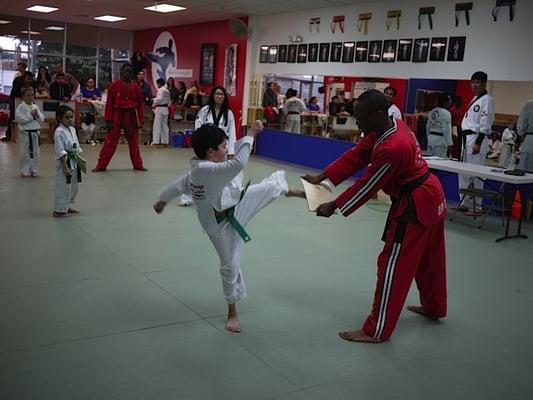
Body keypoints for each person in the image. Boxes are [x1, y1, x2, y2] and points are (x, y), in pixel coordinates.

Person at [302, 89, 447, 343]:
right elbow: (358, 155)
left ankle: (376, 330)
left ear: (379, 114)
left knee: (392, 266)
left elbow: (368, 187)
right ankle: (435, 307)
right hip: (432, 197)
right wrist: (323, 176)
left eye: (361, 117)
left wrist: (334, 205)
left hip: (414, 204)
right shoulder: (389, 127)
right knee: (429, 259)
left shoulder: (393, 146)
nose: (357, 122)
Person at [154, 122, 305, 333]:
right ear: (211, 152)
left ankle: (296, 191)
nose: (227, 149)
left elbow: (180, 184)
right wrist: (251, 133)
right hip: (220, 228)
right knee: (230, 266)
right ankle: (232, 312)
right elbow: (240, 163)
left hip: (235, 206)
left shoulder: (199, 169)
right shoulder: (207, 171)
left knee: (265, 188)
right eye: (224, 146)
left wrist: (162, 199)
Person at [178, 85, 238, 206]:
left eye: (222, 94)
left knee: (222, 175)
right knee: (198, 174)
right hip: (207, 148)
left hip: (221, 149)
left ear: (225, 97)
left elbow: (232, 133)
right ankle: (187, 198)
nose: (219, 96)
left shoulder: (229, 113)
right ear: (213, 96)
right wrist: (200, 144)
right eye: (217, 94)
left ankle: (221, 199)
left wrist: (231, 151)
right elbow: (198, 126)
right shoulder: (205, 110)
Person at [92, 63, 147, 172]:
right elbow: (109, 104)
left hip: (131, 117)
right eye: (126, 71)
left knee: (134, 143)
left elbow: (140, 106)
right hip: (116, 116)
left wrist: (140, 120)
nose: (128, 74)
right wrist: (108, 120)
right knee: (110, 142)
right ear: (121, 72)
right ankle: (101, 166)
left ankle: (138, 165)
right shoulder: (114, 85)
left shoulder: (136, 87)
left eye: (130, 72)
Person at [459, 71, 495, 215]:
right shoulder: (474, 98)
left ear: (484, 84)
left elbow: (486, 124)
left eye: (477, 82)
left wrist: (478, 142)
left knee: (476, 172)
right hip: (466, 138)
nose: (474, 85)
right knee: (463, 172)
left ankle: (477, 207)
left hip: (476, 138)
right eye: (472, 82)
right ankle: (465, 203)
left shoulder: (487, 100)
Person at [53, 105, 82, 218]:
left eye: (71, 117)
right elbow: (60, 151)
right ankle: (59, 210)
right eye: (67, 117)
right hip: (64, 161)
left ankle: (66, 205)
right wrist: (65, 167)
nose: (70, 119)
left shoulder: (73, 129)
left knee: (72, 185)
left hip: (73, 159)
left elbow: (76, 146)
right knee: (63, 185)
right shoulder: (59, 132)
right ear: (60, 119)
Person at [15, 86, 44, 178]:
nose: (30, 97)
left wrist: (38, 115)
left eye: (32, 95)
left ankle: (34, 170)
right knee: (25, 153)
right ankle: (25, 171)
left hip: (35, 133)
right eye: (28, 95)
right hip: (25, 133)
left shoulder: (35, 106)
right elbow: (20, 120)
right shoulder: (20, 107)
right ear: (23, 96)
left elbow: (42, 120)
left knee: (36, 153)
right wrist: (30, 114)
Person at [3, 71, 37, 142]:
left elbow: (34, 91)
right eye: (28, 79)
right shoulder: (17, 80)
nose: (29, 81)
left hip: (26, 101)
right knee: (12, 117)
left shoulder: (33, 82)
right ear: (24, 77)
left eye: (31, 79)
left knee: (28, 116)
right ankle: (9, 135)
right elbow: (16, 92)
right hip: (14, 100)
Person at [426, 92, 452, 158]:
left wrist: (428, 138)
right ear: (445, 102)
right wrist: (449, 144)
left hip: (431, 139)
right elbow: (447, 129)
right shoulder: (446, 113)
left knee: (430, 160)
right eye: (449, 100)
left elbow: (428, 127)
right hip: (440, 141)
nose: (450, 102)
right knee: (440, 161)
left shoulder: (432, 111)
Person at [151, 78, 170, 146]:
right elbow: (169, 101)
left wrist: (153, 100)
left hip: (160, 108)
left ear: (159, 83)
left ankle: (156, 141)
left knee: (157, 125)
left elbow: (160, 99)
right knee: (164, 126)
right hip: (165, 109)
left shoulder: (160, 90)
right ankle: (165, 141)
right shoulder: (167, 90)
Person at [517, 100, 533, 172]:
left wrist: (521, 132)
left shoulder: (530, 104)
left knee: (526, 172)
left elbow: (521, 125)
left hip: (530, 140)